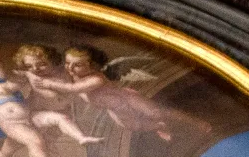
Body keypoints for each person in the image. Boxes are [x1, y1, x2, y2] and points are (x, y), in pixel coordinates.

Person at [22, 45, 209, 142]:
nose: (70, 68)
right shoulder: (71, 74)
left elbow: (73, 89)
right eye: (68, 63)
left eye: (77, 65)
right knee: (134, 126)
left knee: (157, 112)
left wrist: (47, 82)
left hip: (127, 99)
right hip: (113, 108)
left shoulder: (96, 79)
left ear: (91, 66)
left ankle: (196, 122)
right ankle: (159, 126)